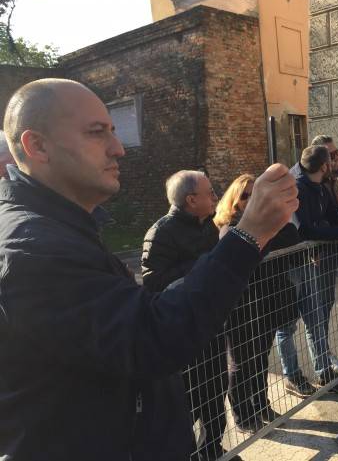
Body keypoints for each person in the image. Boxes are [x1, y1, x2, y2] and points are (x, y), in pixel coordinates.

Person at [0, 78, 298, 460]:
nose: (118, 148)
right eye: (97, 133)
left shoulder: (60, 229)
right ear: (37, 145)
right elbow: (150, 337)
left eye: (113, 130)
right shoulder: (32, 247)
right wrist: (248, 236)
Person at [140, 170, 234, 460]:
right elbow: (153, 282)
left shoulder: (207, 225)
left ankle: (212, 450)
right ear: (192, 199)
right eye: (210, 193)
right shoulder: (161, 232)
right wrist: (206, 264)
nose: (216, 197)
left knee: (216, 397)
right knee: (188, 401)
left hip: (211, 326)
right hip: (182, 333)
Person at [276, 145, 338, 397]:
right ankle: (292, 375)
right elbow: (304, 230)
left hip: (307, 263)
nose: (335, 162)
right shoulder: (296, 188)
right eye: (331, 160)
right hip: (291, 265)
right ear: (323, 166)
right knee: (287, 325)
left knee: (315, 320)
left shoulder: (320, 186)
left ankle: (324, 373)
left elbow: (335, 218)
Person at [214, 174, 300, 432]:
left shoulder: (271, 222)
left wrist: (267, 232)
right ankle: (242, 415)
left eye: (255, 194)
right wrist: (266, 236)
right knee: (241, 362)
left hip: (268, 300)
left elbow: (293, 236)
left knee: (261, 357)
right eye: (244, 196)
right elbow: (251, 251)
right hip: (241, 305)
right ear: (235, 202)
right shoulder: (231, 226)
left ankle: (261, 404)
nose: (250, 200)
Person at [311, 134, 338, 209]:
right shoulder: (314, 184)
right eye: (331, 155)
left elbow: (337, 214)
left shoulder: (334, 180)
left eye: (337, 153)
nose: (337, 158)